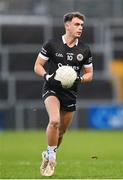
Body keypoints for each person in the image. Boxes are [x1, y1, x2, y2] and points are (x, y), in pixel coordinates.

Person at [34, 11, 93, 177]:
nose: (80, 28)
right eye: (76, 24)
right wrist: (47, 76)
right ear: (67, 25)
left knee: (61, 133)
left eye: (82, 25)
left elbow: (90, 74)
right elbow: (37, 65)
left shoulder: (85, 49)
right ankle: (52, 158)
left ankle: (48, 152)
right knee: (54, 121)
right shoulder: (52, 44)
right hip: (52, 89)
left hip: (70, 93)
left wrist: (79, 79)